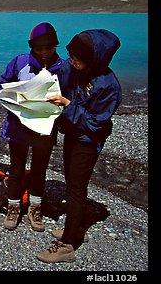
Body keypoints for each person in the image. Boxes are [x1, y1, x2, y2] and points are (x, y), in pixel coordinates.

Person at [38, 29, 122, 263]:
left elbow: (95, 124)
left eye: (78, 57)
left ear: (94, 59)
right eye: (71, 55)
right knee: (72, 182)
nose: (72, 60)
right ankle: (76, 227)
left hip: (88, 139)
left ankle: (69, 243)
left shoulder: (108, 86)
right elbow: (56, 82)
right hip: (72, 133)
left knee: (76, 185)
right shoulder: (71, 68)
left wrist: (66, 104)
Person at [0, 22, 64, 232]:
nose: (44, 53)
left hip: (45, 127)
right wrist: (11, 95)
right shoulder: (20, 63)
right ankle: (13, 206)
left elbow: (69, 95)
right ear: (32, 47)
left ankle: (35, 207)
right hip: (19, 125)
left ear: (55, 46)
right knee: (16, 169)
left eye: (49, 48)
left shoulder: (63, 68)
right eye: (39, 48)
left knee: (39, 169)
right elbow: (2, 85)